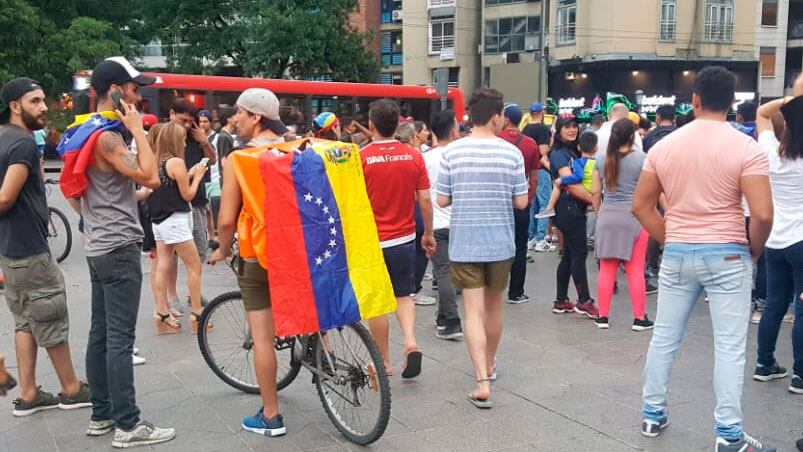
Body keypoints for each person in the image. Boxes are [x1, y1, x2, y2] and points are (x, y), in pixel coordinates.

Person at [633, 66, 775, 451]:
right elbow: (762, 214)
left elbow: (642, 206)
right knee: (729, 346)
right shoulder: (746, 148)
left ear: (694, 100)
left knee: (664, 337)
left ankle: (652, 413)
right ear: (732, 104)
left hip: (678, 252)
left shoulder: (663, 147)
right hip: (728, 252)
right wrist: (753, 249)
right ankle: (728, 434)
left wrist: (671, 237)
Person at [81, 57, 175, 447]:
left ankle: (101, 416)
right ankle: (128, 424)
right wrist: (138, 131)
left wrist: (103, 210)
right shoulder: (110, 137)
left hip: (98, 244)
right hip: (119, 246)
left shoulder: (86, 131)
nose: (141, 96)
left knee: (100, 334)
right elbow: (152, 176)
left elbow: (78, 191)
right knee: (118, 338)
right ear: (116, 91)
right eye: (136, 89)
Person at [0, 77, 92, 416]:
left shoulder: (2, 138)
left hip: (10, 251)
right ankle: (71, 389)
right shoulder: (23, 144)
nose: (43, 108)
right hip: (30, 251)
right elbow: (6, 197)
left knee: (25, 320)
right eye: (35, 101)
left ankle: (28, 394)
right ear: (15, 106)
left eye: (42, 100)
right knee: (49, 314)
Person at [436, 88, 528, 408]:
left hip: (464, 243)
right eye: (502, 115)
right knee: (495, 308)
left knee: (472, 312)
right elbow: (521, 202)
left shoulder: (451, 153)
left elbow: (442, 200)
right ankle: (490, 363)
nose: (504, 120)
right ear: (494, 116)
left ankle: (481, 381)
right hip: (501, 243)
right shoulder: (511, 153)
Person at [209, 88, 289, 437]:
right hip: (302, 251)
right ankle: (324, 351)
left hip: (261, 254)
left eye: (239, 113)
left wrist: (223, 248)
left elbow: (226, 218)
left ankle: (271, 416)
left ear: (256, 117)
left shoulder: (240, 158)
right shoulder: (297, 146)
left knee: (262, 339)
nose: (234, 119)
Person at [361, 98, 436, 379]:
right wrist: (427, 232)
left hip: (373, 241)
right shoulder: (414, 156)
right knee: (404, 295)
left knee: (377, 303)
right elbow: (425, 200)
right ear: (398, 125)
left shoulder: (362, 158)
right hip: (404, 238)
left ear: (371, 125)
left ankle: (384, 361)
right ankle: (410, 341)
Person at [752, 83, 803, 394]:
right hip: (802, 241)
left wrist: (791, 101)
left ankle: (764, 363)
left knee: (773, 304)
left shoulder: (771, 153)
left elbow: (761, 113)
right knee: (801, 308)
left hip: (776, 241)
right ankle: (800, 373)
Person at [591, 118, 653, 331]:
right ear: (632, 135)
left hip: (607, 216)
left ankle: (602, 316)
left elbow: (596, 192)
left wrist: (600, 214)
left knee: (607, 270)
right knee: (635, 270)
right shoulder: (643, 159)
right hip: (634, 218)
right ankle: (639, 318)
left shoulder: (601, 158)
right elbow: (650, 191)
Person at [147, 122, 209, 334]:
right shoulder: (176, 162)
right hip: (175, 219)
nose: (184, 141)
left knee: (163, 264)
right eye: (182, 138)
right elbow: (188, 195)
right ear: (175, 140)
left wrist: (189, 174)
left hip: (159, 220)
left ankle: (162, 313)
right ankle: (197, 314)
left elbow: (170, 187)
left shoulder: (158, 161)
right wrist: (198, 177)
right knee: (194, 266)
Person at [549, 117, 598, 318]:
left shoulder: (572, 152)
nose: (572, 130)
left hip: (570, 208)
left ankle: (561, 300)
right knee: (578, 253)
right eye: (567, 127)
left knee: (569, 255)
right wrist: (596, 203)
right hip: (569, 208)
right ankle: (584, 300)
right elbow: (571, 184)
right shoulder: (560, 154)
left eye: (574, 126)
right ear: (558, 131)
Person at [424, 110, 463, 340]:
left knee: (443, 272)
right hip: (458, 221)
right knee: (450, 273)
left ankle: (450, 320)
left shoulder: (426, 158)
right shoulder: (461, 154)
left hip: (436, 222)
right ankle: (447, 319)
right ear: (453, 129)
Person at [169, 99, 216, 282]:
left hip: (196, 200)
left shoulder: (196, 137)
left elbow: (212, 160)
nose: (187, 125)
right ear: (172, 115)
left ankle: (194, 292)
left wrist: (204, 142)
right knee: (170, 254)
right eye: (183, 120)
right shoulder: (165, 135)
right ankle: (170, 297)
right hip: (172, 203)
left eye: (191, 121)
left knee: (199, 250)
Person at [498, 103, 539, 304]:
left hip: (497, 203)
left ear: (505, 120)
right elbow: (534, 177)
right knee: (520, 246)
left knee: (495, 245)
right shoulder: (530, 143)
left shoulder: (495, 141)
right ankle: (516, 291)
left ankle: (493, 289)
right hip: (520, 202)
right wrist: (528, 199)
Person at [535, 131, 596, 220]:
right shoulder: (597, 163)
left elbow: (579, 176)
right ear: (596, 148)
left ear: (579, 147)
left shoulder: (578, 162)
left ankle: (550, 208)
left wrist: (563, 180)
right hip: (594, 191)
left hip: (583, 190)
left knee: (558, 183)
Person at [522, 102, 554, 253]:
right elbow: (543, 150)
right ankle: (541, 239)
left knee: (533, 204)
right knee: (545, 204)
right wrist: (551, 141)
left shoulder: (526, 129)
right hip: (541, 169)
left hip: (529, 170)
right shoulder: (542, 129)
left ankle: (531, 238)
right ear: (541, 113)